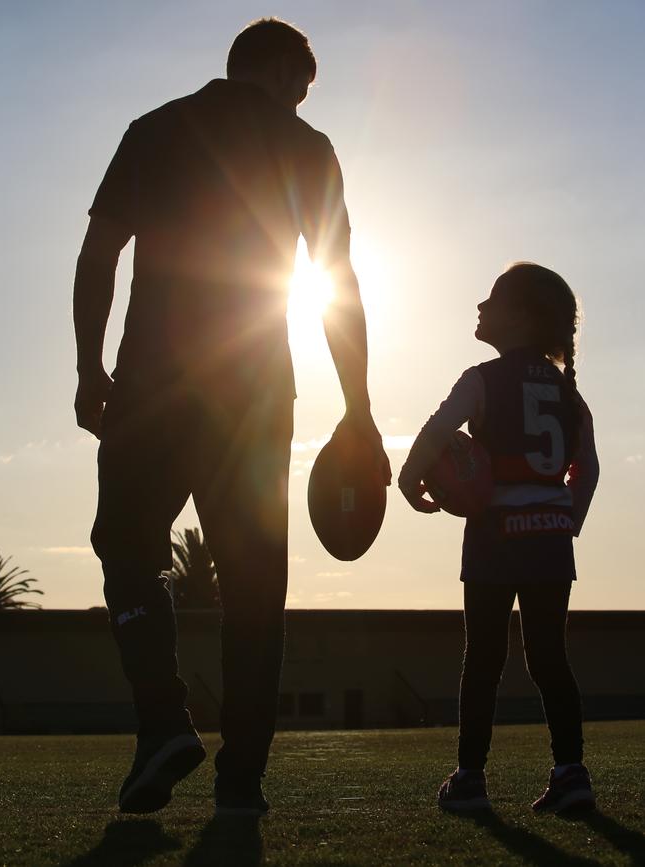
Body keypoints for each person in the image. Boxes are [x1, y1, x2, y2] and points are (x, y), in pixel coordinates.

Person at [73, 18, 390, 816]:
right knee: (256, 585)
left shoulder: (155, 128)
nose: (301, 100)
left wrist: (89, 366)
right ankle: (241, 783)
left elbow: (99, 252)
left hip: (153, 382)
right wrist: (358, 409)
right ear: (283, 69)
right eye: (302, 85)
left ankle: (162, 721)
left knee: (125, 546)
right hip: (253, 391)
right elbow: (338, 285)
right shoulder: (308, 147)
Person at [398, 263, 599, 813]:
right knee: (550, 657)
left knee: (483, 656)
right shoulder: (568, 391)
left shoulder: (482, 378)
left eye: (491, 301)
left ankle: (470, 779)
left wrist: (408, 475)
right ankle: (571, 773)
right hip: (550, 542)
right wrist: (567, 520)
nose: (480, 309)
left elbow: (440, 428)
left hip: (495, 536)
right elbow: (590, 469)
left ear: (519, 318)